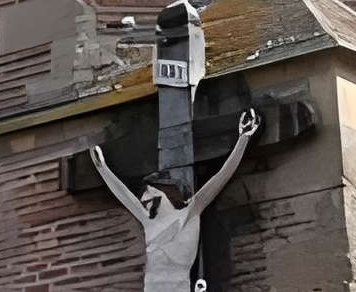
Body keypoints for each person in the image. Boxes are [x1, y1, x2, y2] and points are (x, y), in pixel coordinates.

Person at [89, 108, 260, 290]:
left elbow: (221, 176)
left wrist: (243, 138)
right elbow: (123, 195)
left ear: (164, 192)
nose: (144, 200)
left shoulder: (191, 212)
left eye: (149, 194)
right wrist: (102, 168)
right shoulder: (148, 221)